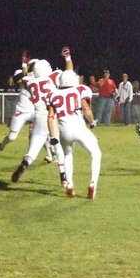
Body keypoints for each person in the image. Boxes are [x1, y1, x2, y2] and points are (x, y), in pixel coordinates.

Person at [11, 48, 70, 183]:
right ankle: (63, 178)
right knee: (58, 146)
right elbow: (68, 72)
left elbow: (25, 76)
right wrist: (67, 58)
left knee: (33, 150)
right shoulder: (54, 77)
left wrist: (24, 64)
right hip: (51, 117)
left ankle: (25, 163)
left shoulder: (30, 82)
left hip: (38, 117)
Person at [47, 69, 101, 199]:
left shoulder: (53, 94)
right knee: (96, 153)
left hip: (64, 130)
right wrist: (92, 122)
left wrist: (53, 136)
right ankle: (93, 184)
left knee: (67, 155)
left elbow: (50, 117)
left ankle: (70, 184)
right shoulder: (79, 90)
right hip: (78, 128)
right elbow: (86, 109)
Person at [0, 68, 38, 158]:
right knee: (12, 137)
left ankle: (52, 154)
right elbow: (25, 78)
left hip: (34, 112)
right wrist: (24, 65)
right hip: (21, 112)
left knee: (42, 131)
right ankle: (0, 146)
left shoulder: (36, 81)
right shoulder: (24, 83)